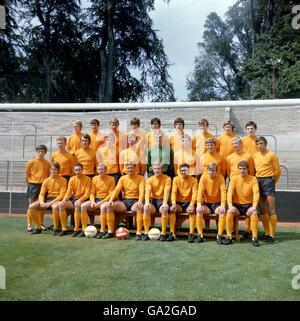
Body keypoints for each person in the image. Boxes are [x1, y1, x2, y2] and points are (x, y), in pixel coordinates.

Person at [225, 160, 260, 247]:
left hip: (249, 205)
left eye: (244, 168)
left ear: (248, 169)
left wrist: (254, 206)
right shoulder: (234, 179)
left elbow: (256, 193)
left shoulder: (253, 179)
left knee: (254, 213)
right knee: (229, 212)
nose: (242, 170)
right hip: (237, 205)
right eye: (240, 169)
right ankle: (229, 237)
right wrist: (230, 205)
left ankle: (254, 238)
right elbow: (229, 192)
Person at [106, 162, 145, 240]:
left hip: (135, 201)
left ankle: (138, 233)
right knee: (109, 205)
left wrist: (140, 201)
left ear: (135, 168)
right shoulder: (122, 178)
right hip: (125, 201)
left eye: (131, 168)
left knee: (139, 208)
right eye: (128, 168)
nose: (130, 169)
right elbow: (117, 190)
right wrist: (110, 200)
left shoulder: (141, 178)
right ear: (126, 169)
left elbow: (142, 191)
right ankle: (110, 231)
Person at [253, 136, 281, 242]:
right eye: (258, 144)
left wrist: (272, 182)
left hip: (268, 181)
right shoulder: (255, 156)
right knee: (262, 210)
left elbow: (277, 171)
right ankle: (266, 233)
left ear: (265, 144)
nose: (259, 146)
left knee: (271, 210)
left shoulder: (272, 155)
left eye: (261, 144)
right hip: (258, 181)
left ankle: (272, 235)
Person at [226, 136, 254, 237]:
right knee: (233, 206)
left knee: (248, 204)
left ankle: (248, 230)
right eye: (233, 144)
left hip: (246, 182)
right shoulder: (229, 157)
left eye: (236, 143)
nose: (235, 145)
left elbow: (251, 171)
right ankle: (233, 229)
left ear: (241, 144)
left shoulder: (248, 156)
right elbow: (228, 172)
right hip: (234, 183)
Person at [29, 162, 67, 235]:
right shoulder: (46, 180)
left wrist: (49, 203)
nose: (53, 171)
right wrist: (41, 202)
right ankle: (38, 227)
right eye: (52, 169)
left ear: (58, 170)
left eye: (55, 169)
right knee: (31, 207)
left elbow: (61, 195)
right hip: (48, 199)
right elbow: (42, 194)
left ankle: (56, 229)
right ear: (50, 170)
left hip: (58, 199)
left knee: (54, 206)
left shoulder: (63, 180)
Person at [81, 164, 116, 239]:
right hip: (96, 199)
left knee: (103, 207)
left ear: (105, 170)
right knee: (83, 206)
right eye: (99, 169)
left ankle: (102, 231)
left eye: (102, 169)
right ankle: (84, 230)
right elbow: (92, 193)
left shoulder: (111, 179)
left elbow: (111, 194)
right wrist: (93, 201)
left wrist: (101, 202)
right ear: (97, 170)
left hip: (105, 199)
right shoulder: (94, 179)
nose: (100, 171)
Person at [196, 162, 226, 244]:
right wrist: (199, 204)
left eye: (213, 170)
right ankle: (200, 235)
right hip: (207, 204)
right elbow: (200, 192)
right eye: (209, 170)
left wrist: (223, 205)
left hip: (217, 204)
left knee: (222, 211)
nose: (211, 172)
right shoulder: (203, 177)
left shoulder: (220, 178)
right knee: (199, 210)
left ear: (216, 171)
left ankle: (219, 235)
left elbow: (223, 192)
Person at [58, 163, 91, 237]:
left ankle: (79, 229)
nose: (77, 172)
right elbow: (68, 192)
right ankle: (64, 229)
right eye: (76, 170)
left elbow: (87, 194)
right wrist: (64, 200)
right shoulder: (72, 179)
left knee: (77, 204)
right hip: (74, 199)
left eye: (79, 170)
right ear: (74, 170)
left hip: (84, 200)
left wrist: (80, 200)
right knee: (61, 205)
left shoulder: (88, 179)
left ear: (82, 170)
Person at [169, 163, 198, 242]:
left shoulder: (194, 180)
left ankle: (191, 234)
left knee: (192, 211)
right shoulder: (176, 179)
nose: (183, 172)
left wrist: (191, 205)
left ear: (189, 171)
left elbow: (195, 194)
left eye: (185, 170)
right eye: (182, 171)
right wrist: (174, 204)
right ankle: (172, 233)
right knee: (172, 209)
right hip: (179, 203)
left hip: (189, 203)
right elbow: (174, 192)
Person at [25, 145, 50, 232]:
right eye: (39, 151)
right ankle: (29, 224)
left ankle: (40, 224)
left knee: (41, 206)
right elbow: (27, 174)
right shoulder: (31, 161)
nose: (40, 153)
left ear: (45, 153)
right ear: (37, 152)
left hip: (42, 185)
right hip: (33, 185)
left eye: (42, 151)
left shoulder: (47, 163)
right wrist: (29, 184)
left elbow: (48, 175)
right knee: (31, 205)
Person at [144, 163, 171, 241]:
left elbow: (167, 191)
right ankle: (146, 232)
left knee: (165, 209)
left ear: (161, 169)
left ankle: (163, 233)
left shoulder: (167, 178)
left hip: (162, 201)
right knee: (146, 208)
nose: (156, 170)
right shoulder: (149, 179)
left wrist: (165, 203)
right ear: (152, 170)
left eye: (158, 168)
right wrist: (147, 202)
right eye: (155, 169)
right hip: (153, 201)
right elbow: (148, 192)